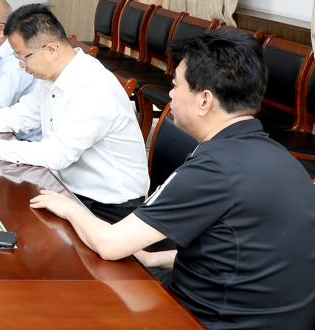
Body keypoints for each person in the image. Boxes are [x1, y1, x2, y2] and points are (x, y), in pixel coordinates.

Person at [30, 32, 315, 330]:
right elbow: (241, 254)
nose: (170, 95)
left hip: (208, 320)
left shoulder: (214, 168)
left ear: (204, 100)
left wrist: (69, 207)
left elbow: (110, 244)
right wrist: (156, 259)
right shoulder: (283, 160)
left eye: (176, 85)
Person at [0, 4, 148, 222]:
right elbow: (19, 115)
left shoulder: (93, 87)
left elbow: (57, 154)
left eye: (23, 57)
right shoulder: (54, 76)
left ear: (51, 50)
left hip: (107, 208)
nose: (21, 65)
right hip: (65, 188)